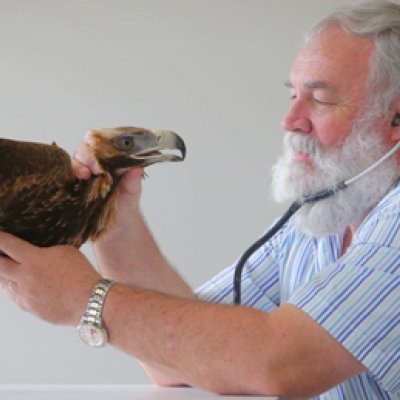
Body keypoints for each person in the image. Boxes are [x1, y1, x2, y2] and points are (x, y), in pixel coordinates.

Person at [1, 1, 400, 398]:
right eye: (293, 95)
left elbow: (281, 362)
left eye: (320, 99)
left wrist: (86, 298)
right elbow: (185, 363)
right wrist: (112, 213)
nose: (290, 119)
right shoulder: (315, 227)